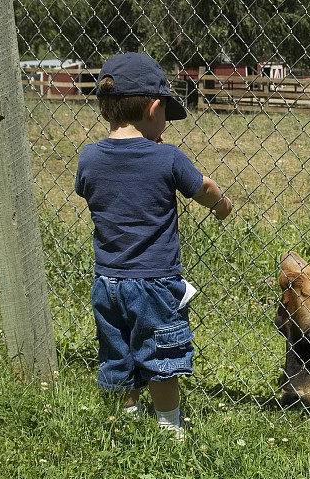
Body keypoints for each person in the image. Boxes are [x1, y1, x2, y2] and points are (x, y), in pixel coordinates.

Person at [75, 52, 232, 438]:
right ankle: (168, 425)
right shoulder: (168, 156)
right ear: (155, 107)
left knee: (119, 350)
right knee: (162, 354)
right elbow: (205, 188)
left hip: (107, 281)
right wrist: (222, 207)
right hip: (155, 283)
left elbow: (89, 189)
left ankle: (126, 417)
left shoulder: (89, 156)